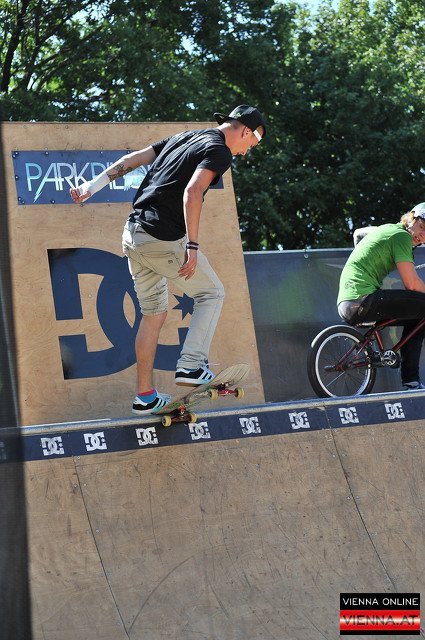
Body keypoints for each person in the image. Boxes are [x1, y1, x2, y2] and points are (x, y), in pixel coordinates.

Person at [70, 104, 266, 413]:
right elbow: (193, 192)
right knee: (211, 293)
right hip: (163, 239)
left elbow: (131, 160)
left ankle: (145, 396)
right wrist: (193, 245)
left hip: (133, 235)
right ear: (244, 131)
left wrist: (90, 187)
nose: (246, 152)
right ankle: (191, 365)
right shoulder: (219, 151)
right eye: (251, 144)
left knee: (153, 314)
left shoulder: (184, 137)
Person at [337, 202, 425, 391]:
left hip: (348, 303)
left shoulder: (389, 229)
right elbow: (411, 284)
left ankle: (408, 377)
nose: (422, 235)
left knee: (417, 316)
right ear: (412, 218)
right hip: (363, 299)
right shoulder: (401, 236)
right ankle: (411, 380)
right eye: (422, 227)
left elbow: (360, 234)